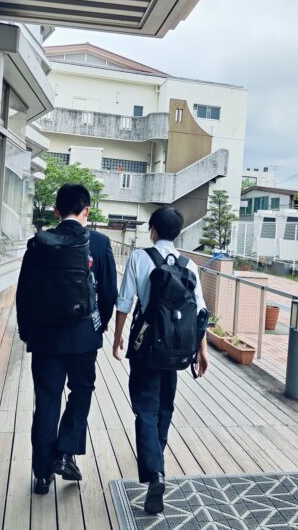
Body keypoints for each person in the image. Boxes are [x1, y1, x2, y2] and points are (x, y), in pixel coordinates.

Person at [16, 183, 117, 495]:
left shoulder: (38, 243)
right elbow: (110, 292)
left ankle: (42, 474)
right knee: (82, 390)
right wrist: (99, 327)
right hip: (83, 337)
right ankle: (66, 450)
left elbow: (24, 293)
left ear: (56, 211)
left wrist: (27, 331)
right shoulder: (99, 243)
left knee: (46, 400)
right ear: (86, 210)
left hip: (45, 338)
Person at [113, 207, 209, 515]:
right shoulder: (189, 264)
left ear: (152, 229)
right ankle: (158, 457)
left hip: (145, 345)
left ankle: (154, 472)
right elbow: (199, 312)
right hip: (177, 347)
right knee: (165, 405)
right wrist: (201, 349)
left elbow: (125, 301)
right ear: (177, 233)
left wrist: (118, 337)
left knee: (145, 406)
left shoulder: (141, 259)